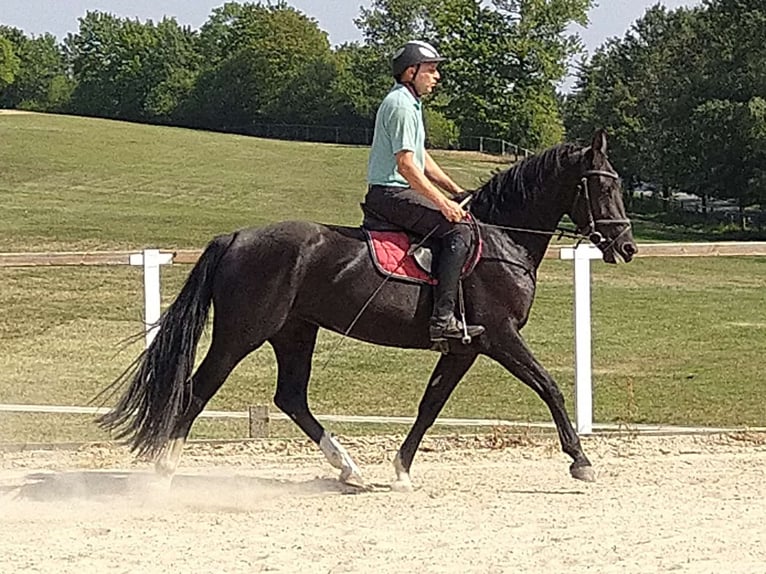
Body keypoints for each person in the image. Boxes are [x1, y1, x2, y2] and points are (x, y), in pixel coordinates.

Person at [364, 40, 485, 345]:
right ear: (410, 72)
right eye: (430, 70)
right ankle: (443, 320)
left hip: (398, 190)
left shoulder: (410, 102)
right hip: (391, 194)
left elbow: (421, 157)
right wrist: (444, 205)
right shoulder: (402, 106)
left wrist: (456, 190)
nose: (437, 77)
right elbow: (406, 166)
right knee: (460, 232)